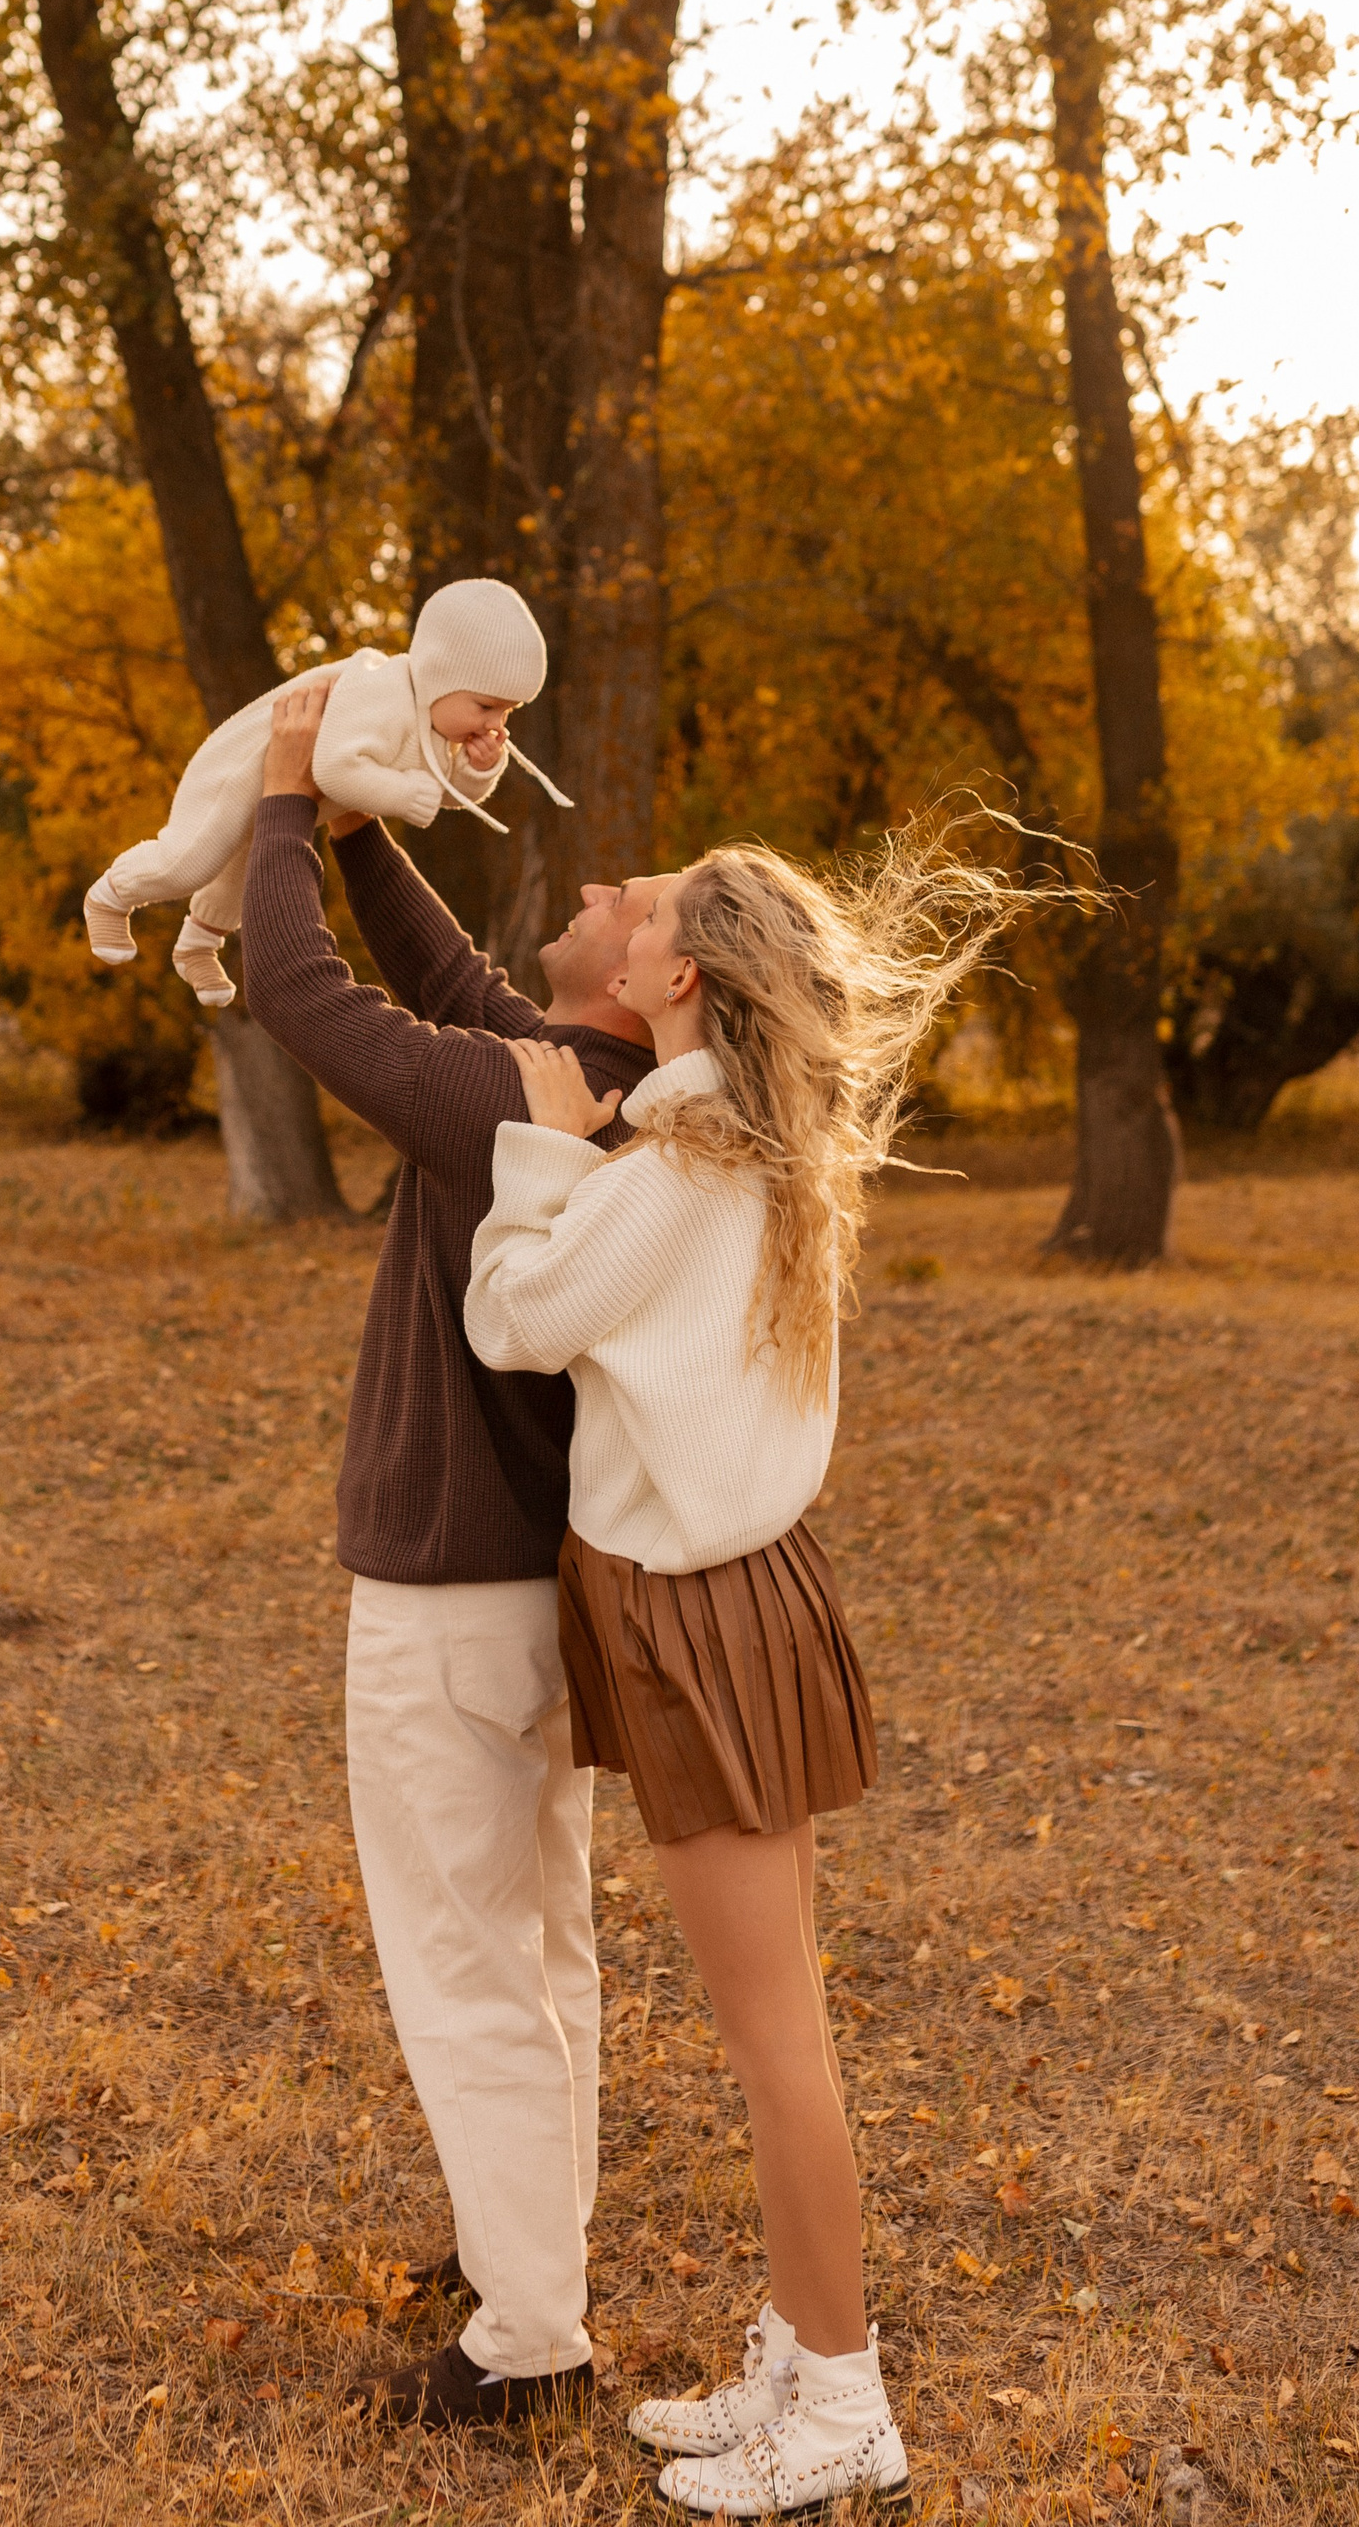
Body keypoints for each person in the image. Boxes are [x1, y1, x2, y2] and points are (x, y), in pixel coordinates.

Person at [465, 836, 1026, 2519]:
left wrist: (533, 1147)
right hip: (734, 1602)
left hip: (700, 1619)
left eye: (647, 910)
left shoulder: (674, 1170)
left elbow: (512, 1318)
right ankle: (796, 2350)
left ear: (684, 976)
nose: (622, 917)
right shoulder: (737, 1144)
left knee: (778, 2045)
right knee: (780, 2032)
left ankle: (844, 2403)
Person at [235, 671, 662, 2428]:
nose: (602, 886)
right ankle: (529, 2251)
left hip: (449, 1603)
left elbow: (298, 993)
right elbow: (447, 981)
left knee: (470, 1964)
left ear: (654, 978)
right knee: (541, 1947)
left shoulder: (510, 1094)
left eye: (635, 900)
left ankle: (529, 2345)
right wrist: (356, 834)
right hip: (538, 1598)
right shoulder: (593, 1082)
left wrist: (281, 793)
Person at [82, 578, 569, 1004]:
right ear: (440, 674)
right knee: (191, 860)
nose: (496, 724)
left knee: (240, 873)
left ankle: (197, 946)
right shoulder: (382, 693)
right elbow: (335, 769)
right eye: (486, 706)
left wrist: (478, 769)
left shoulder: (436, 722)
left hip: (280, 795)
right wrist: (403, 794)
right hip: (237, 772)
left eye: (508, 711)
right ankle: (109, 897)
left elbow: (445, 794)